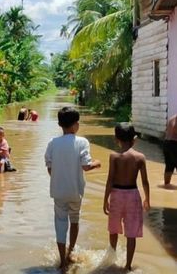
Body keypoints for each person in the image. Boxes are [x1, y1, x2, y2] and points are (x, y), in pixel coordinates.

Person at [44, 106, 101, 271]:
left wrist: (59, 179)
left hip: (58, 192)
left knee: (60, 224)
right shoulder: (82, 142)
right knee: (74, 220)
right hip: (76, 191)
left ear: (60, 124)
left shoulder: (52, 143)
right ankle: (71, 252)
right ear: (76, 124)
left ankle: (62, 261)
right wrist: (98, 163)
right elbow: (86, 166)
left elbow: (49, 168)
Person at [103, 123, 150, 271]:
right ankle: (128, 266)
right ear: (134, 139)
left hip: (116, 195)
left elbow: (110, 180)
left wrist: (105, 199)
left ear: (116, 138)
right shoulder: (140, 157)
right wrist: (147, 199)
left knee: (113, 230)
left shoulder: (114, 156)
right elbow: (145, 182)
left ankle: (112, 260)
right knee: (131, 234)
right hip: (133, 196)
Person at [163, 114, 177, 186]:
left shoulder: (172, 118)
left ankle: (167, 184)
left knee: (169, 167)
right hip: (175, 143)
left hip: (166, 143)